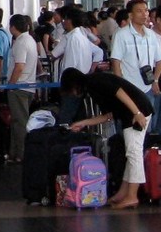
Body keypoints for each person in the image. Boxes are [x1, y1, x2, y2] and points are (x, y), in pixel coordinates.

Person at [64, 68, 152, 209]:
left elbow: (119, 91)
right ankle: (123, 193)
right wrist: (83, 123)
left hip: (136, 113)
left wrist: (137, 113)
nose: (73, 94)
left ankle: (132, 196)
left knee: (134, 154)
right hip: (131, 114)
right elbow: (108, 116)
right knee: (131, 155)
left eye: (71, 90)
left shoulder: (95, 81)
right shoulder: (92, 87)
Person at [110, 0, 161, 135]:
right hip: (128, 88)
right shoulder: (122, 34)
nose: (144, 14)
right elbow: (116, 62)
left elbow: (160, 60)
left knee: (146, 127)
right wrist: (120, 85)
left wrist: (155, 80)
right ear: (130, 15)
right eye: (139, 11)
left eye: (146, 10)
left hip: (147, 88)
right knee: (127, 126)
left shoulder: (151, 35)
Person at [4, 14, 38, 164]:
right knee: (18, 121)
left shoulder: (21, 42)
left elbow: (19, 66)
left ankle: (21, 154)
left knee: (20, 122)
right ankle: (14, 152)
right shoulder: (30, 40)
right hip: (29, 86)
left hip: (19, 87)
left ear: (13, 27)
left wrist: (11, 85)